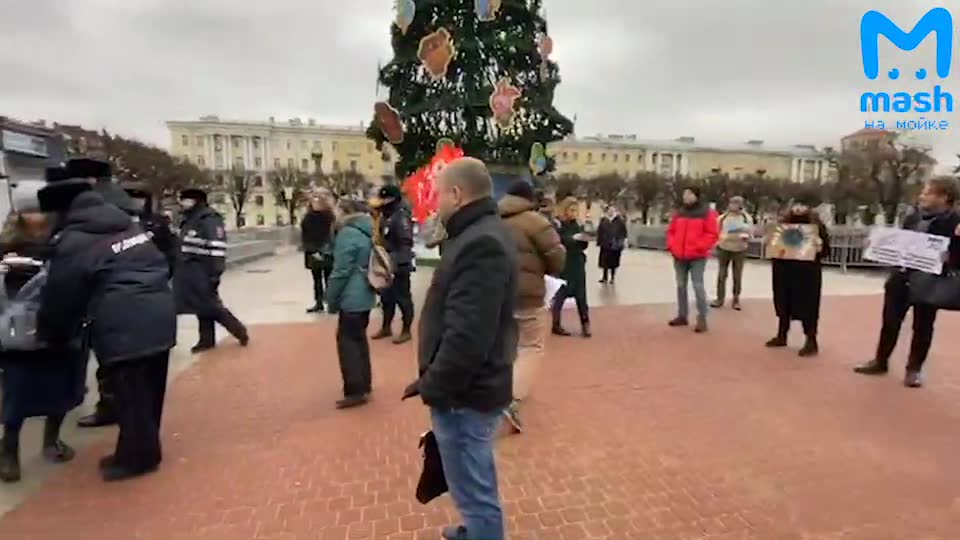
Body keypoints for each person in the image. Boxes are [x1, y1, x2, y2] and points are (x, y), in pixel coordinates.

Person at [402, 157, 517, 540]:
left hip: (464, 395)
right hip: (466, 389)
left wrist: (435, 386)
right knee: (471, 483)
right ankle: (474, 530)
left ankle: (482, 532)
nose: (435, 203)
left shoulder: (481, 241)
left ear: (457, 193)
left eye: (439, 195)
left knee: (475, 492)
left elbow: (468, 336)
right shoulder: (477, 234)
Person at [36, 171, 177, 482]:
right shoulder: (127, 224)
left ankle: (136, 461)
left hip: (122, 324)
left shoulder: (75, 240)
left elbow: (62, 294)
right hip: (160, 313)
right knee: (150, 394)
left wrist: (52, 333)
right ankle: (140, 452)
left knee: (130, 396)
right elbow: (161, 262)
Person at [0, 180, 86, 483]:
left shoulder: (64, 241)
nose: (41, 217)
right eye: (34, 212)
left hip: (59, 328)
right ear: (21, 215)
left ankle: (51, 440)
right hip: (18, 337)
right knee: (17, 395)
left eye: (44, 212)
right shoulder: (7, 248)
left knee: (62, 389)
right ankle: (8, 452)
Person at [854, 177, 960, 387]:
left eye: (928, 192)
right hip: (901, 277)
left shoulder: (955, 222)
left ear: (943, 197)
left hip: (930, 281)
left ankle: (914, 370)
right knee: (890, 321)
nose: (922, 196)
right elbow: (899, 242)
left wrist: (954, 250)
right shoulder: (913, 215)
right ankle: (880, 360)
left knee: (923, 326)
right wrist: (875, 245)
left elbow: (957, 258)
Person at [497, 180, 565, 433]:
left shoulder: (492, 219)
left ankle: (497, 388)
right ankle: (511, 398)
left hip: (496, 293)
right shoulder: (536, 222)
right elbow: (556, 256)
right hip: (528, 294)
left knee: (504, 343)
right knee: (530, 345)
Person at [174, 188, 249, 353]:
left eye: (185, 200)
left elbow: (217, 246)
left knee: (211, 306)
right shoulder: (190, 219)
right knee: (202, 307)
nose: (182, 203)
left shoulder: (209, 219)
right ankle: (206, 339)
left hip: (203, 269)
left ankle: (239, 331)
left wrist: (215, 272)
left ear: (195, 201)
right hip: (190, 270)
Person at [764, 194, 830, 357]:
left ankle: (811, 340)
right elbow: (775, 246)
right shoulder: (783, 224)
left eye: (803, 205)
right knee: (783, 302)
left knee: (808, 306)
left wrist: (820, 247)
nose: (798, 208)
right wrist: (769, 242)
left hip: (807, 273)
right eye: (796, 204)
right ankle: (782, 335)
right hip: (784, 271)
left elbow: (826, 250)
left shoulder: (817, 226)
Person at [325, 198, 376, 409]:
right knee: (359, 338)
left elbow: (341, 271)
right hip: (365, 293)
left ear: (345, 212)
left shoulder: (347, 234)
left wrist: (331, 298)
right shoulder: (366, 229)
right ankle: (365, 382)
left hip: (351, 295)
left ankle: (355, 389)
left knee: (347, 341)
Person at [666, 187, 719, 333]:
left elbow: (712, 234)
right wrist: (672, 245)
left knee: (697, 285)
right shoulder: (679, 212)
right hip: (679, 255)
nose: (686, 197)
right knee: (681, 285)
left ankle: (702, 317)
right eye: (684, 194)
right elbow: (671, 231)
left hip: (697, 256)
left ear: (696, 196)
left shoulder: (707, 213)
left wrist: (699, 247)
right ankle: (682, 315)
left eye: (689, 194)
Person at [370, 185, 415, 344]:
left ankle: (406, 330)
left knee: (403, 298)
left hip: (399, 265)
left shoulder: (400, 217)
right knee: (386, 298)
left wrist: (394, 263)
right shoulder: (385, 216)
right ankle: (386, 327)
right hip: (386, 263)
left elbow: (405, 243)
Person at [551, 197, 591, 338]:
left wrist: (583, 240)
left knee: (581, 296)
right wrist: (573, 239)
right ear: (565, 210)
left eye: (576, 210)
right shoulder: (559, 224)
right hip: (564, 263)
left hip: (577, 263)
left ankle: (585, 324)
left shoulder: (577, 225)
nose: (574, 213)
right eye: (572, 210)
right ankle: (556, 323)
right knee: (560, 294)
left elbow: (583, 244)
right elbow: (560, 240)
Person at [711, 195, 754, 310]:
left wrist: (747, 237)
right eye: (732, 203)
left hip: (740, 249)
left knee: (737, 275)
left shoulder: (746, 218)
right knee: (721, 274)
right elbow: (716, 232)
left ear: (741, 205)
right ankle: (719, 298)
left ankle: (736, 298)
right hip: (724, 248)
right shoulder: (722, 218)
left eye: (736, 203)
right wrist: (717, 241)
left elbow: (751, 233)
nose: (733, 205)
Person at [301, 196, 335, 313]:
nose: (316, 205)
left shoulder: (329, 217)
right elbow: (305, 236)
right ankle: (319, 302)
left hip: (326, 251)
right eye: (313, 202)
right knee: (317, 279)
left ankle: (331, 302)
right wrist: (310, 249)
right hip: (313, 251)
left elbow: (333, 234)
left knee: (329, 279)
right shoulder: (308, 217)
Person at [596, 205, 627, 284]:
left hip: (615, 245)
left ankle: (612, 277)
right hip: (605, 244)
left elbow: (623, 232)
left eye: (612, 211)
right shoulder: (604, 220)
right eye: (609, 211)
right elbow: (600, 231)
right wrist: (599, 241)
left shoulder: (619, 221)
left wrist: (622, 241)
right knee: (604, 262)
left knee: (613, 262)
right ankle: (604, 277)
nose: (610, 212)